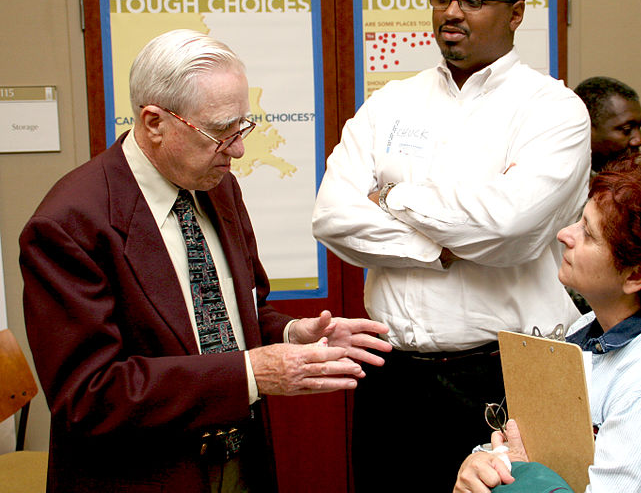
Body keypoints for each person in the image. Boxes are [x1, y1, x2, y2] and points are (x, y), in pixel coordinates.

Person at [19, 29, 391, 493]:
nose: (237, 149)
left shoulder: (218, 186)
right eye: (219, 132)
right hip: (145, 477)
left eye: (242, 127)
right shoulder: (70, 224)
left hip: (242, 461)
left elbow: (234, 315)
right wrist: (254, 372)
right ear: (154, 122)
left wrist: (293, 334)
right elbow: (89, 396)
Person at [312, 0, 590, 491]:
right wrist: (438, 249)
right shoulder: (391, 103)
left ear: (516, 13)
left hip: (500, 377)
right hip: (391, 376)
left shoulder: (552, 110)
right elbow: (334, 217)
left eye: (472, 0)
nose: (451, 14)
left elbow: (508, 228)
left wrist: (393, 197)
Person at [455, 155, 641, 492]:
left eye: (589, 233)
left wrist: (519, 480)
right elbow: (523, 450)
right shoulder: (586, 330)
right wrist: (481, 463)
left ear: (635, 275)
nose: (563, 235)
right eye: (578, 221)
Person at [574, 76, 641, 173]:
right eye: (626, 129)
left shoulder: (634, 180)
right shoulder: (561, 181)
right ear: (587, 128)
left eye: (640, 127)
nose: (639, 141)